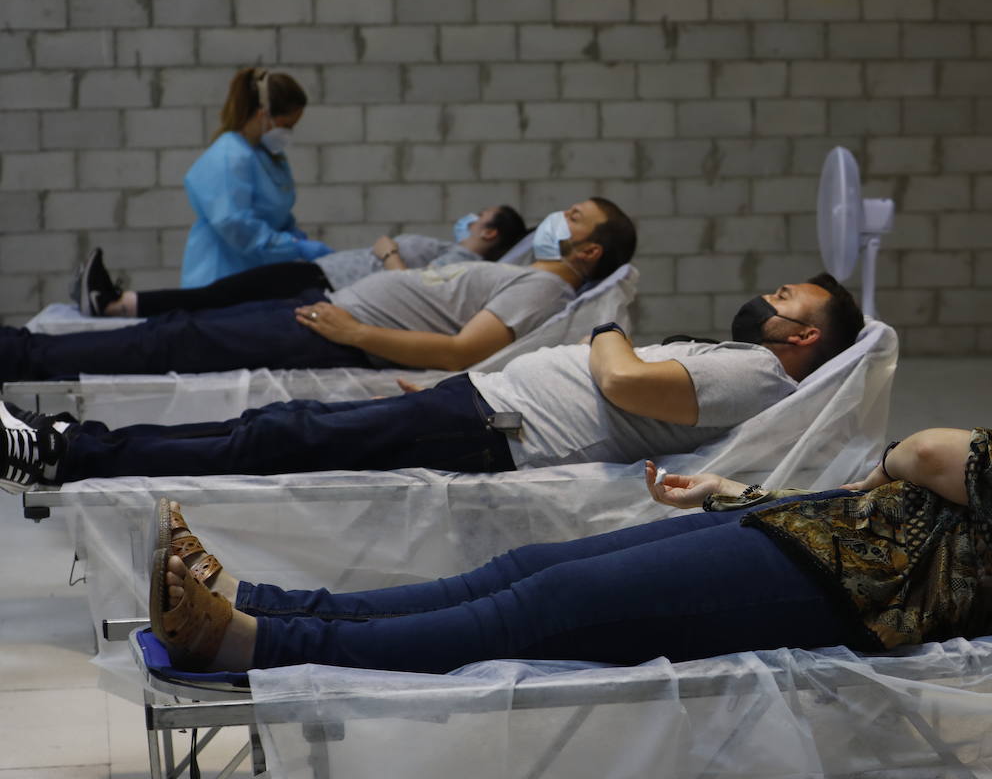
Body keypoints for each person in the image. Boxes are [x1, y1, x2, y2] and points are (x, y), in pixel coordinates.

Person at [143, 361, 992, 674]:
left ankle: (250, 647)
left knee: (539, 610)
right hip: (806, 541)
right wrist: (739, 495)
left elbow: (919, 455)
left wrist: (920, 467)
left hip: (831, 593)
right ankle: (263, 604)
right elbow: (908, 492)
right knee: (530, 568)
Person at [0, 275, 863, 490]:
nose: (770, 295)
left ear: (804, 337)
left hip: (495, 429)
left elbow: (629, 385)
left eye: (786, 296)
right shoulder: (746, 362)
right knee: (279, 427)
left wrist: (609, 330)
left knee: (273, 438)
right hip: (482, 411)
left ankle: (62, 453)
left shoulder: (758, 373)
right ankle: (68, 447)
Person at [1, 198, 634, 383]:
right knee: (175, 332)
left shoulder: (544, 294)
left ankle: (20, 356)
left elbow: (462, 353)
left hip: (337, 333)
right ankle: (21, 352)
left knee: (174, 340)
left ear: (588, 252)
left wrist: (356, 332)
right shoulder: (528, 277)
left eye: (573, 218)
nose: (559, 217)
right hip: (328, 313)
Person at [76, 205, 528, 318]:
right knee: (222, 296)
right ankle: (118, 303)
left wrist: (388, 250)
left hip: (325, 283)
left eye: (480, 216)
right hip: (325, 275)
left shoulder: (464, 257)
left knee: (220, 297)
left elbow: (416, 284)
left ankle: (115, 305)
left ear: (488, 233)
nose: (470, 218)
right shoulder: (460, 252)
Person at [177, 68, 331, 292]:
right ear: (263, 115)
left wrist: (293, 236)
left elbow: (276, 213)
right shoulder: (230, 156)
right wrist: (294, 246)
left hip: (255, 274)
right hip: (222, 276)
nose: (289, 133)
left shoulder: (268, 156)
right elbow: (235, 224)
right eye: (286, 125)